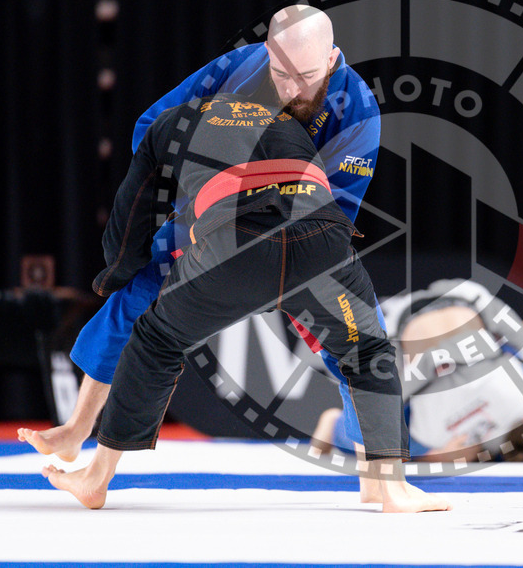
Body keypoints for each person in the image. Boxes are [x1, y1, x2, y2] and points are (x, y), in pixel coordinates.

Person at [40, 90, 450, 513]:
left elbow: (130, 221)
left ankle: (97, 477)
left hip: (235, 246)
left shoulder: (165, 125)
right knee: (368, 350)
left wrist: (114, 275)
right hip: (321, 240)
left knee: (153, 341)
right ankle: (391, 487)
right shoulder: (289, 121)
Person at [19, 6, 380, 465]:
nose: (291, 89)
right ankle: (77, 429)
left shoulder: (359, 111)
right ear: (267, 52)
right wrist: (197, 203)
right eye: (280, 73)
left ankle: (376, 468)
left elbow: (337, 211)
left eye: (306, 76)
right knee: (132, 298)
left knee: (361, 333)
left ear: (331, 60)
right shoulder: (240, 68)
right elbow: (153, 130)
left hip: (298, 233)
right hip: (213, 218)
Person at [311, 279, 523, 464]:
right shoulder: (462, 438)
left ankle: (345, 423)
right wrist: (436, 455)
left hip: (463, 298)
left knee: (520, 356)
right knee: (397, 440)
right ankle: (335, 427)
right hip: (404, 330)